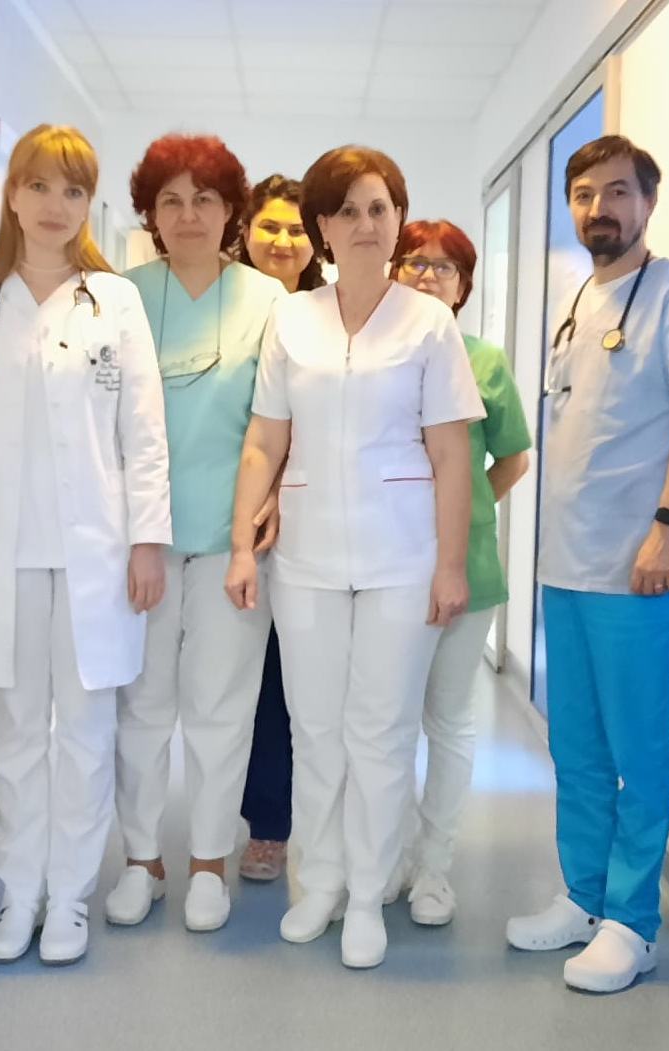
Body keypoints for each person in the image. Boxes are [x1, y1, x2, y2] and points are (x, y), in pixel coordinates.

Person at [226, 145, 485, 969]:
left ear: (397, 218)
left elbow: (452, 454)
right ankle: (320, 881)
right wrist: (241, 545)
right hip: (305, 554)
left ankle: (369, 892)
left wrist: (451, 565)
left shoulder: (428, 323)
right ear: (323, 227)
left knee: (381, 729)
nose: (366, 223)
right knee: (315, 728)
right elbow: (265, 440)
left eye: (380, 207)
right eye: (348, 210)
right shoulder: (292, 319)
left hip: (402, 556)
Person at [0, 124, 171, 965]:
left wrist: (148, 539)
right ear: (13, 193)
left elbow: (144, 435)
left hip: (97, 549)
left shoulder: (115, 300)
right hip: (0, 549)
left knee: (86, 729)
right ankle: (18, 891)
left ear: (87, 203)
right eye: (39, 186)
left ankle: (69, 896)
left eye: (73, 190)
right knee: (15, 731)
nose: (56, 205)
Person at [505, 135, 669, 993]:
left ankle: (633, 922)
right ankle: (584, 895)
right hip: (565, 564)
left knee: (638, 746)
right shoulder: (580, 301)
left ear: (647, 201)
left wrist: (668, 529)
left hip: (637, 568)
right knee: (577, 745)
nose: (598, 208)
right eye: (584, 194)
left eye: (616, 192)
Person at [106, 135, 286, 933]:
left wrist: (272, 501)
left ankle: (209, 861)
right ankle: (142, 859)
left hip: (230, 537)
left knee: (222, 706)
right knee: (142, 704)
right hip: (138, 539)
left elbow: (284, 419)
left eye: (205, 199)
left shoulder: (269, 301)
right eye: (171, 200)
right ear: (150, 213)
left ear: (230, 211)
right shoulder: (119, 296)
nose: (188, 215)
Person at [391, 219, 531, 925]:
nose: (426, 275)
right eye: (414, 262)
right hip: (383, 562)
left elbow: (514, 458)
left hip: (466, 567)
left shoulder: (484, 361)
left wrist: (466, 510)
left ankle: (434, 868)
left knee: (446, 718)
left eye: (444, 267)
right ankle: (387, 856)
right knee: (384, 723)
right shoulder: (373, 354)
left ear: (464, 285)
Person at [234, 174, 325, 882]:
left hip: (314, 524)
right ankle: (259, 819)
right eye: (270, 226)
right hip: (231, 521)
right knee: (245, 681)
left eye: (297, 229)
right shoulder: (229, 311)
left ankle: (290, 825)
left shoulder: (331, 315)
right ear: (244, 232)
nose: (284, 240)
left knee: (300, 685)